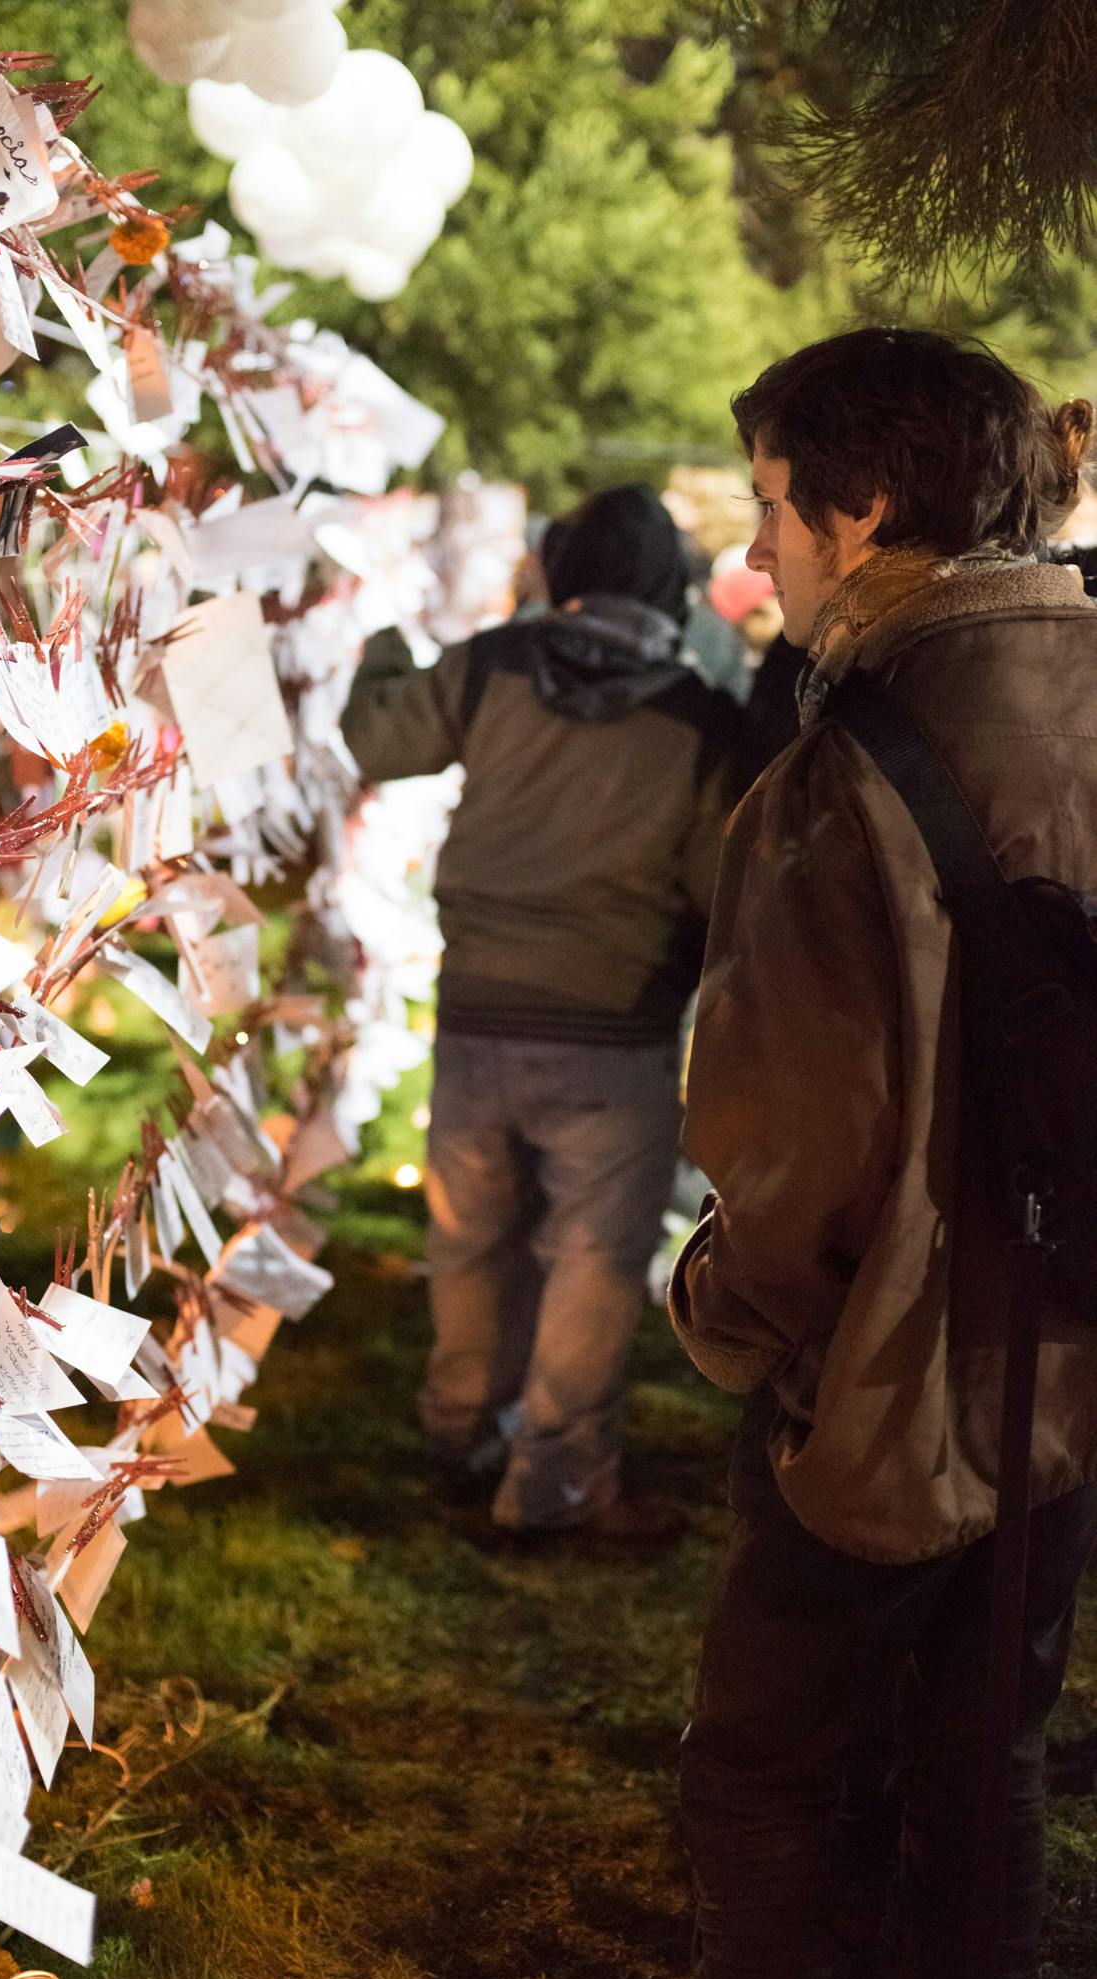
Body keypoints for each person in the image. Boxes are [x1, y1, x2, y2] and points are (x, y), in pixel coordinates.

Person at [667, 326, 1097, 1979]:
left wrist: (727, 1324)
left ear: (860, 512)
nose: (760, 549)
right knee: (982, 1761)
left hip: (887, 1382)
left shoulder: (835, 781)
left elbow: (789, 1160)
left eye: (774, 506)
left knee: (761, 1781)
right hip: (1075, 1358)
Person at [341, 483, 743, 1536]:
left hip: (476, 1011)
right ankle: (554, 1481)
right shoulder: (700, 718)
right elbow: (718, 891)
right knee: (595, 1260)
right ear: (672, 587)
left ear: (558, 569)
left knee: (467, 1238)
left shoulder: (493, 663)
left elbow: (380, 743)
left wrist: (380, 639)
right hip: (615, 1031)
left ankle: (456, 1426)